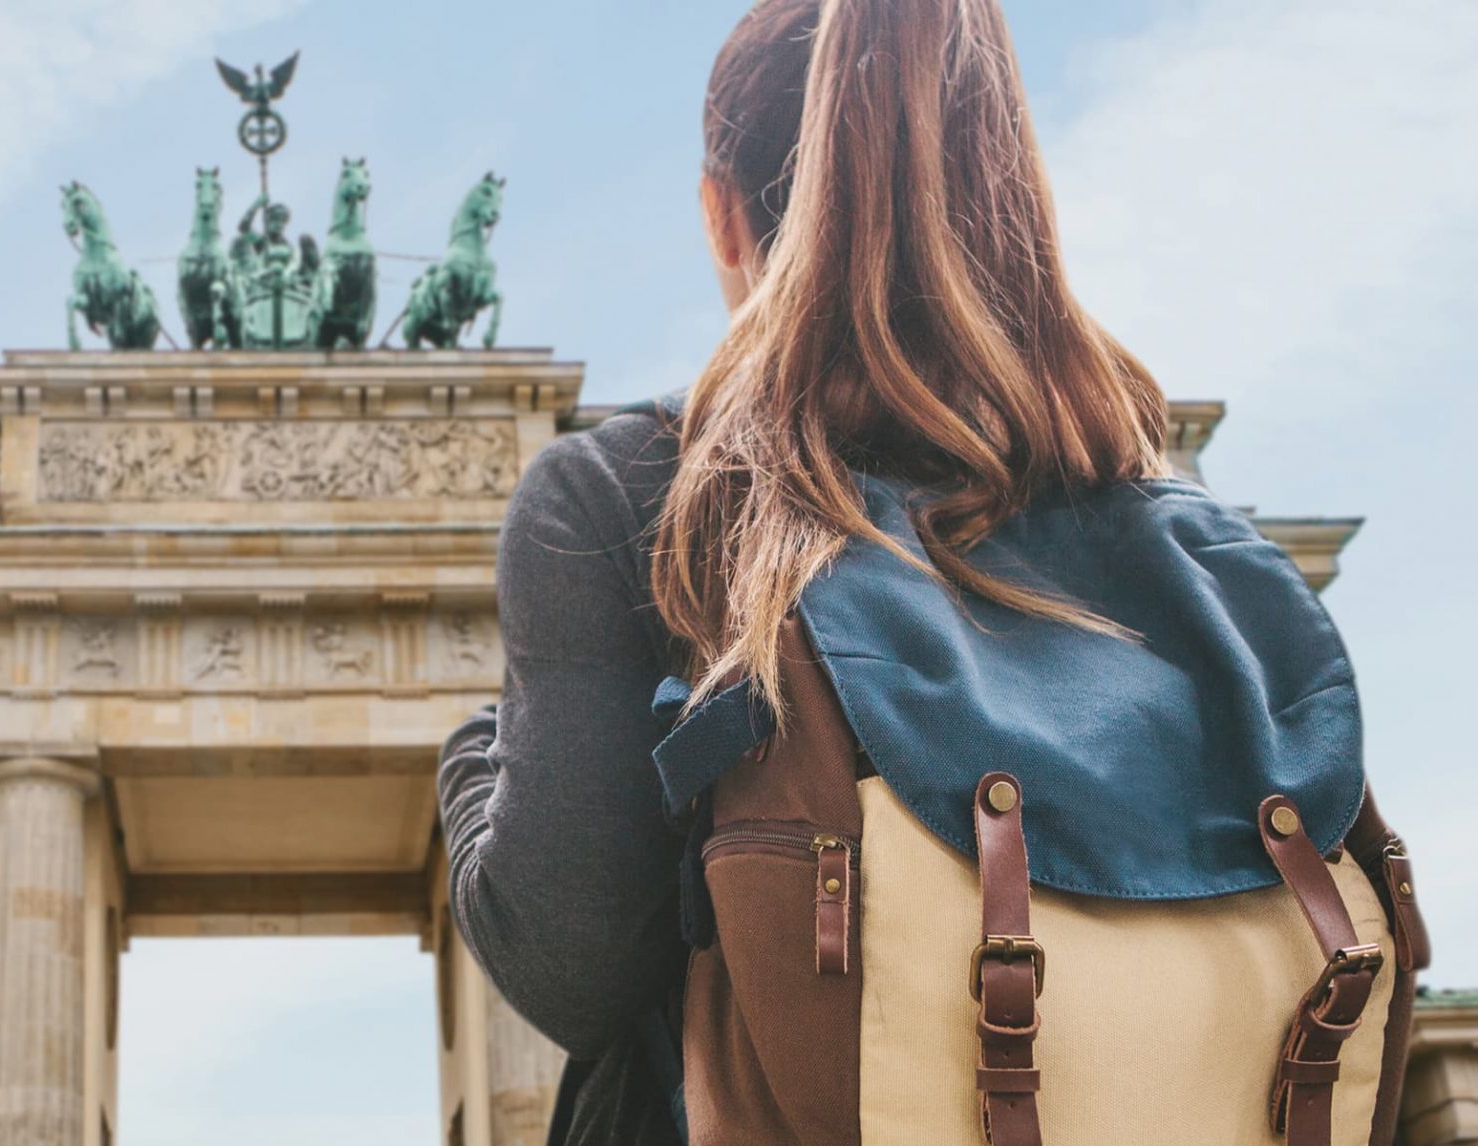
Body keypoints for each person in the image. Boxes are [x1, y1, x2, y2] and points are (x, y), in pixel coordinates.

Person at [437, 0, 1416, 1143]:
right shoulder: (1185, 546)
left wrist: (472, 762)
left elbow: (572, 965)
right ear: (1005, 186)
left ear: (718, 216)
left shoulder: (638, 499)